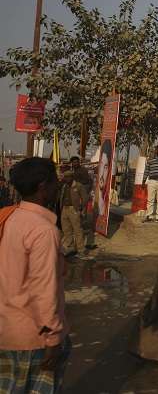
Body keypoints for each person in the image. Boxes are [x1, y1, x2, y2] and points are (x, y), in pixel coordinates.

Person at [0, 157, 70, 392]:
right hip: (33, 336)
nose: (58, 186)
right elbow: (44, 289)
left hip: (6, 329)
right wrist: (52, 338)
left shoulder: (9, 218)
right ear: (43, 186)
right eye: (55, 181)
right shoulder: (43, 230)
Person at [59, 171, 87, 258]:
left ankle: (81, 250)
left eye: (68, 177)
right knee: (66, 230)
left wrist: (80, 209)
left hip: (73, 209)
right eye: (65, 177)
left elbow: (85, 198)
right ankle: (70, 248)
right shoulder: (64, 186)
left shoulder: (78, 186)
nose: (66, 179)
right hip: (65, 208)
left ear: (72, 177)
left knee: (77, 230)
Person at [69, 156, 95, 250]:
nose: (74, 163)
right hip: (78, 194)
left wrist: (82, 193)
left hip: (82, 193)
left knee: (81, 214)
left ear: (78, 162)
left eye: (76, 162)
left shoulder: (82, 171)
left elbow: (87, 183)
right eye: (73, 162)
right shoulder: (74, 171)